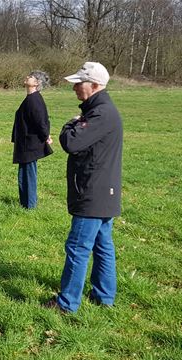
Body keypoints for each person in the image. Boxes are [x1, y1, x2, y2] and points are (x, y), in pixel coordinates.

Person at [45, 62, 123, 313]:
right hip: (103, 191)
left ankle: (67, 303)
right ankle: (104, 296)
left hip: (93, 192)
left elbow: (71, 142)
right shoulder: (100, 110)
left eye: (80, 83)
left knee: (78, 247)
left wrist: (70, 124)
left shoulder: (101, 114)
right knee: (102, 244)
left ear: (96, 85)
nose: (75, 88)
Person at [11, 70, 53, 209]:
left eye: (30, 77)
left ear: (36, 83)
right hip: (26, 143)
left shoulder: (34, 100)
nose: (27, 77)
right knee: (24, 174)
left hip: (29, 144)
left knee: (28, 174)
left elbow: (41, 121)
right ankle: (26, 203)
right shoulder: (31, 98)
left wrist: (46, 136)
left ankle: (29, 205)